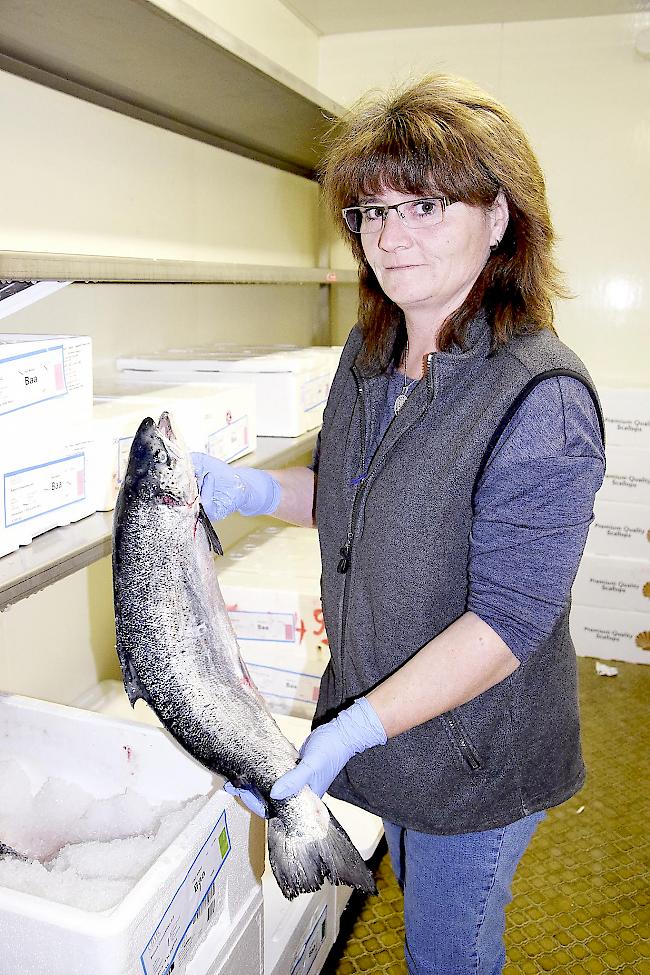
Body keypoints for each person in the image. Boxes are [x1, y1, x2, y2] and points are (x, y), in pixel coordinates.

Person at [192, 74, 605, 975]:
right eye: (371, 213)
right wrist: (251, 493)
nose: (391, 235)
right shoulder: (370, 352)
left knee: (447, 952)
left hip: (476, 753)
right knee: (421, 896)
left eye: (424, 204)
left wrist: (345, 733)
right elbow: (354, 496)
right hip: (384, 717)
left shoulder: (542, 396)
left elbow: (505, 627)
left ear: (498, 216)